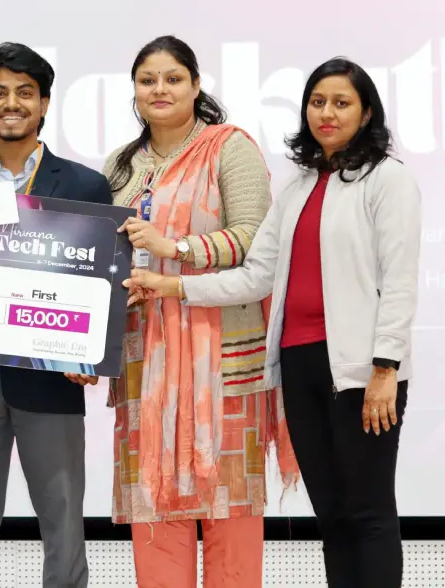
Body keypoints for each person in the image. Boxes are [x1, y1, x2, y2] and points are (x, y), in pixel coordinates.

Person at [127, 57, 420, 588]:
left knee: (370, 513)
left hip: (360, 369)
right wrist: (173, 286)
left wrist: (386, 368)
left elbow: (399, 283)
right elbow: (256, 276)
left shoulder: (388, 180)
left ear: (367, 111)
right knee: (331, 515)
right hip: (300, 364)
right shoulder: (299, 186)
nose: (326, 113)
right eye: (317, 102)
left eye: (341, 103)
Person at [102, 36, 297, 588]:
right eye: (147, 80)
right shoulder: (120, 165)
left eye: (172, 78)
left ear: (195, 85)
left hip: (226, 369)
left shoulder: (228, 148)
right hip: (146, 366)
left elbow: (254, 240)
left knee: (231, 523)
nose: (159, 89)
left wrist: (176, 249)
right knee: (156, 520)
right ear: (134, 91)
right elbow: (102, 258)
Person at [0, 42, 108, 588]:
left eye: (25, 93)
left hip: (52, 378)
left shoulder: (83, 185)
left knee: (63, 524)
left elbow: (101, 282)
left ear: (45, 103)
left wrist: (92, 354)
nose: (11, 103)